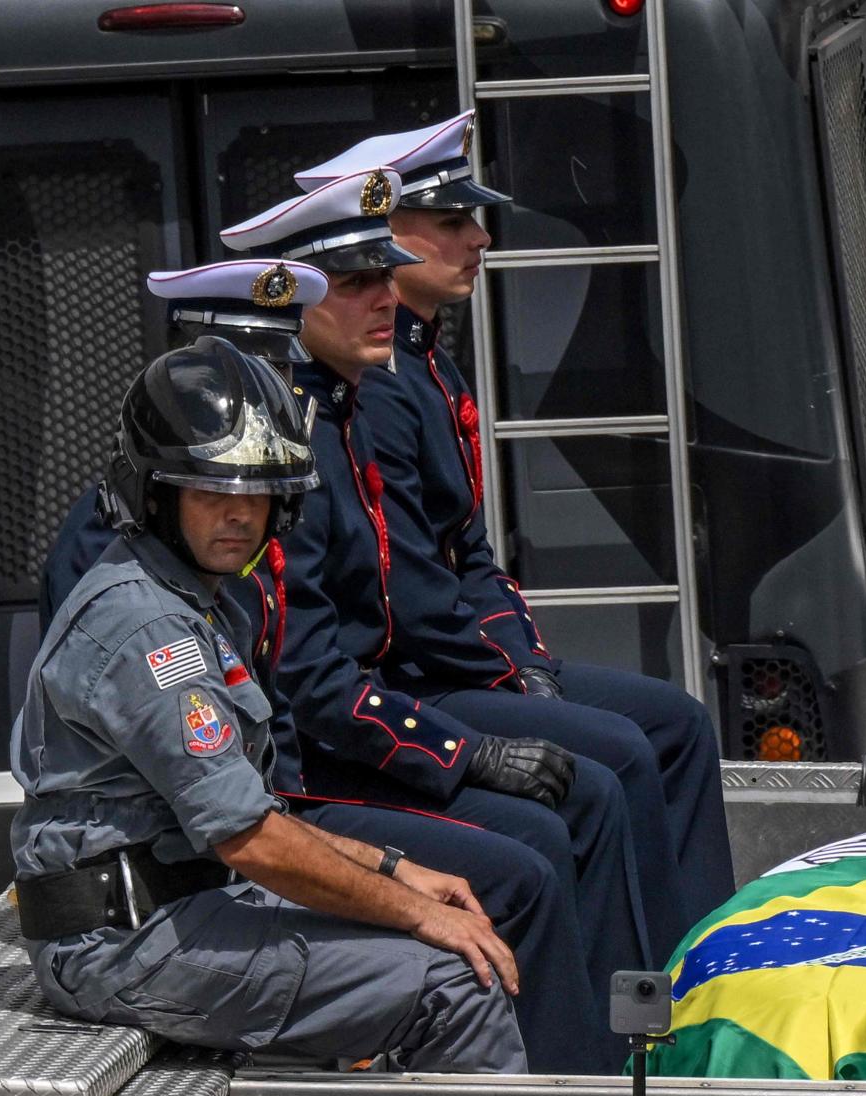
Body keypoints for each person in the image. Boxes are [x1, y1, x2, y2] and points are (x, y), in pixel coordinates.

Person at [11, 338, 538, 1071]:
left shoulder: (193, 600)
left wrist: (397, 871)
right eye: (211, 493)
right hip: (129, 942)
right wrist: (411, 906)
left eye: (255, 493)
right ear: (155, 496)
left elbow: (253, 821)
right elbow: (249, 839)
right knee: (457, 981)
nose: (238, 515)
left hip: (178, 908)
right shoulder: (152, 625)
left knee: (446, 925)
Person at [292, 115, 734, 954]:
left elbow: (471, 554)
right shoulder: (369, 393)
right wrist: (512, 676)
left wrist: (525, 665)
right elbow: (411, 600)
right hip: (413, 678)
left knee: (675, 724)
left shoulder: (421, 361)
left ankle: (694, 962)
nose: (481, 238)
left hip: (455, 661)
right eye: (452, 223)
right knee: (614, 762)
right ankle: (642, 1004)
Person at [220, 167, 654, 1015]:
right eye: (356, 284)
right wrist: (464, 750)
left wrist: (516, 669)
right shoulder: (286, 450)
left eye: (387, 275)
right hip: (303, 773)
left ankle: (639, 1039)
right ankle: (585, 1085)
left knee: (601, 776)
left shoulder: (340, 413)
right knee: (543, 836)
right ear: (288, 305)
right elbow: (310, 677)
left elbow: (458, 557)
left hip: (360, 726)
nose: (386, 298)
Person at [39, 258, 330, 623]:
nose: (264, 395)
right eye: (243, 372)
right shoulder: (112, 530)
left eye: (279, 370)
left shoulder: (272, 496)